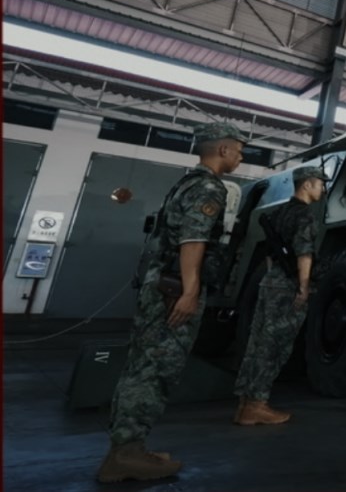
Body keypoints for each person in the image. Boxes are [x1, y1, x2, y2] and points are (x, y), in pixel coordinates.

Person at [97, 123, 246, 483]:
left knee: (142, 365)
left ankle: (127, 448)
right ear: (223, 150)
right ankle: (126, 456)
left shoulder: (186, 183)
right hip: (174, 289)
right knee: (154, 370)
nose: (241, 157)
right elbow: (193, 240)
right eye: (239, 150)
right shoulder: (209, 187)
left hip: (164, 284)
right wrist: (190, 291)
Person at [232, 165, 327, 425]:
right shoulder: (305, 216)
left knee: (257, 344)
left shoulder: (278, 212)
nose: (322, 189)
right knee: (274, 347)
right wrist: (303, 287)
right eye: (320, 184)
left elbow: (270, 255)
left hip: (270, 282)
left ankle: (244, 404)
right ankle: (257, 405)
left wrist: (274, 277)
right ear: (307, 184)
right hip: (288, 286)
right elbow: (304, 254)